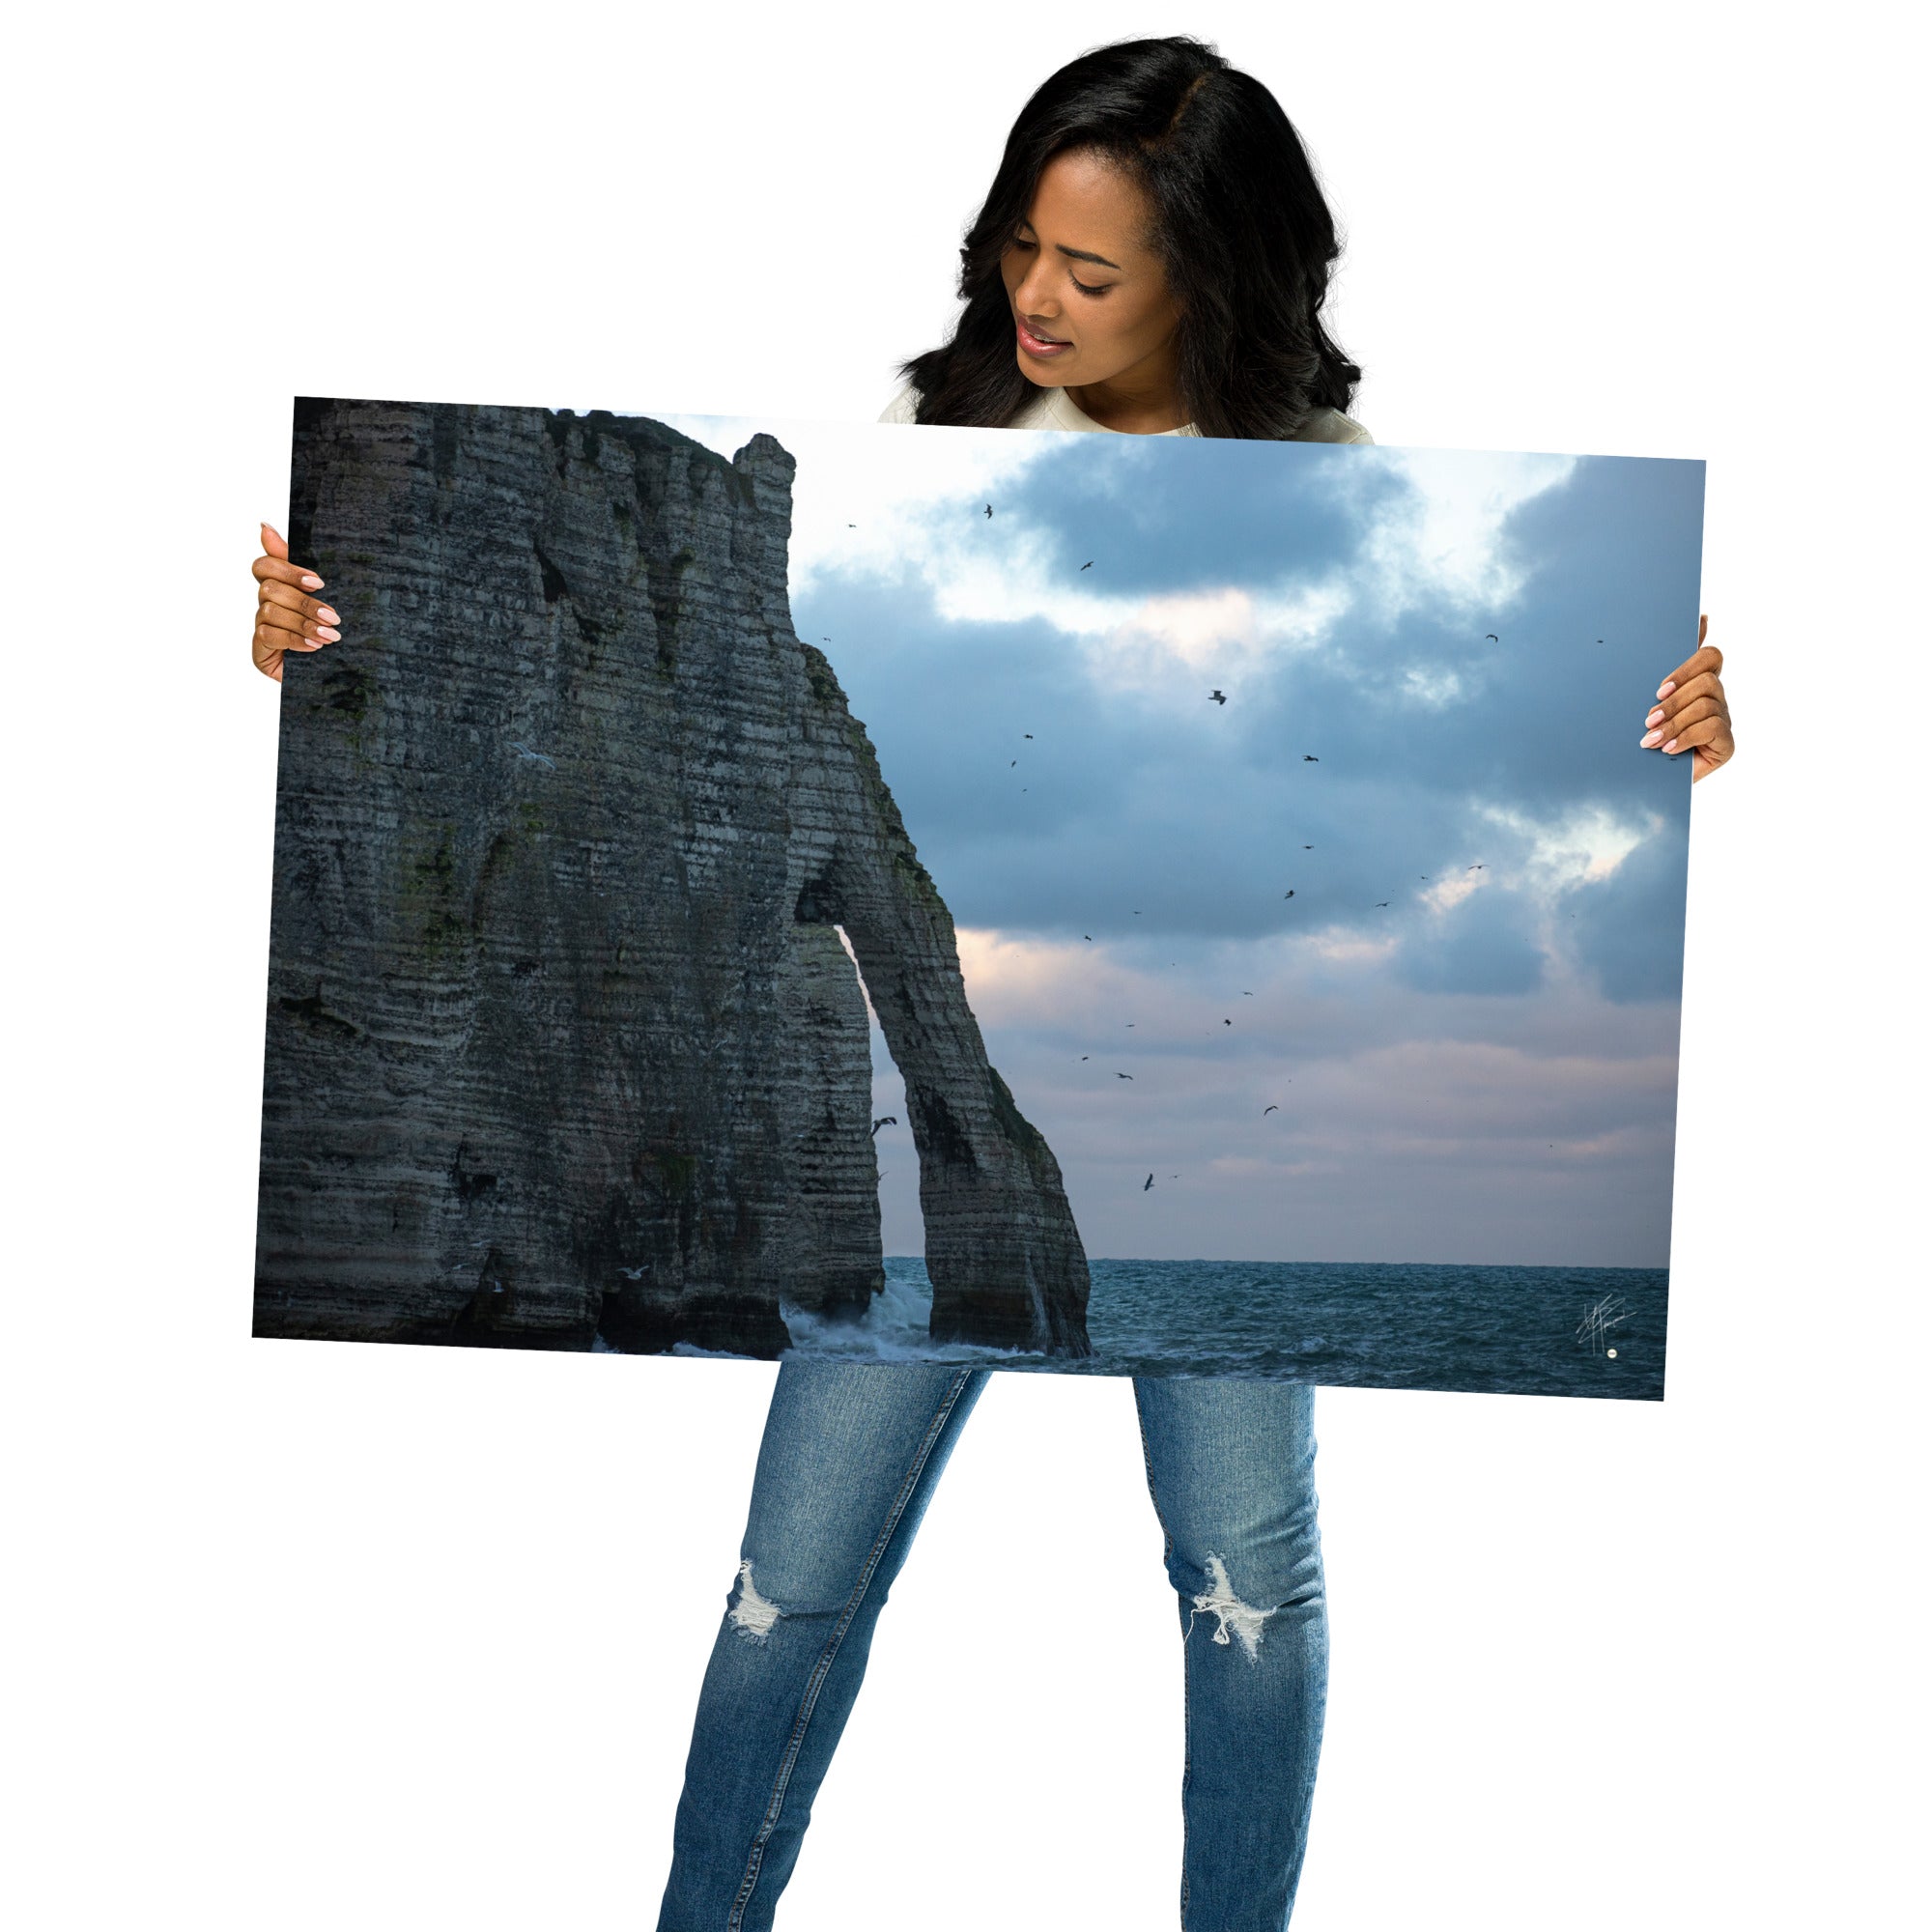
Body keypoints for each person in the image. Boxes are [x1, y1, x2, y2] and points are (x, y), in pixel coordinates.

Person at [247, 36, 1735, 1931]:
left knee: (1246, 1582)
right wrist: (335, 641)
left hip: (1216, 1113)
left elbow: (1435, 798)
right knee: (788, 1583)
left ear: (1218, 274)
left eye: (1091, 272)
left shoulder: (1343, 495)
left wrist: (1670, 727)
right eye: (1021, 245)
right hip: (963, 1092)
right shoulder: (922, 449)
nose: (1034, 297)